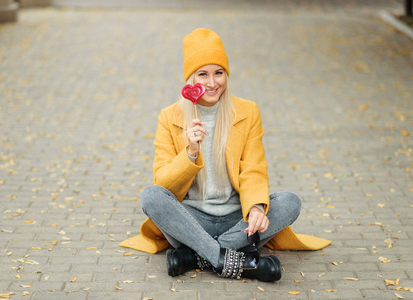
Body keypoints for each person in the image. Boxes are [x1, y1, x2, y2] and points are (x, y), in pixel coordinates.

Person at [120, 28, 331, 282]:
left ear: (226, 74)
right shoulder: (170, 117)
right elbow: (162, 184)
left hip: (236, 220)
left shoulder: (247, 111)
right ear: (190, 79)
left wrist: (254, 207)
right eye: (203, 74)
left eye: (218, 73)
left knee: (290, 202)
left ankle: (197, 255)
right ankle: (228, 259)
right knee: (150, 196)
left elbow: (254, 167)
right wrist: (189, 153)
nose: (211, 83)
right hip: (191, 221)